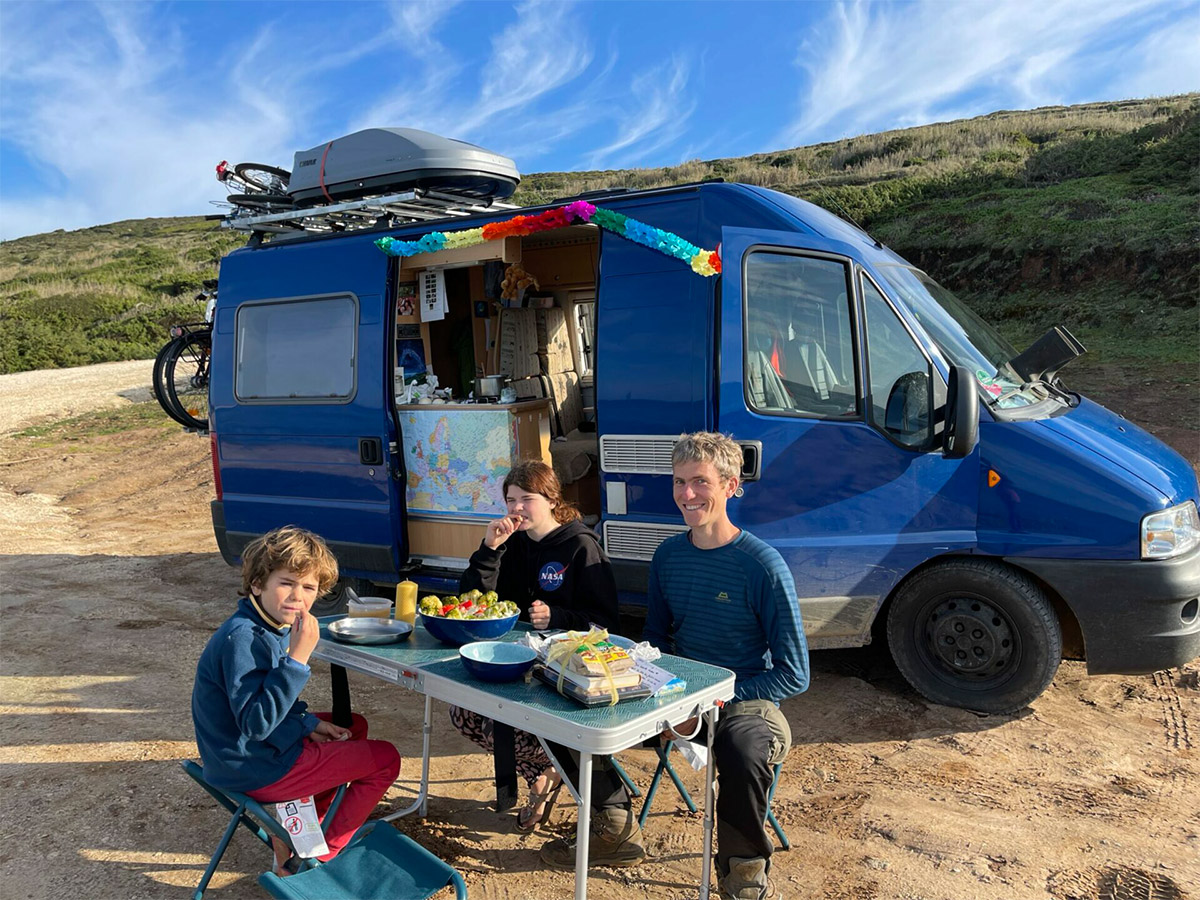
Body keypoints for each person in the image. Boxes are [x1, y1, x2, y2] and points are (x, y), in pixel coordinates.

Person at [541, 432, 810, 899]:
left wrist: (709, 702)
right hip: (674, 696)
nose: (687, 494)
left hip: (744, 702)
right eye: (679, 482)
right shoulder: (668, 555)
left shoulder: (762, 565)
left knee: (744, 752)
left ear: (730, 486)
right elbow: (657, 642)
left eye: (700, 482)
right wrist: (658, 696)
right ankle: (615, 826)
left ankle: (743, 876)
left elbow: (794, 673)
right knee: (559, 707)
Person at [191, 526, 401, 871]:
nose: (298, 597)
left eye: (309, 587)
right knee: (386, 758)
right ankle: (316, 858)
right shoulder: (243, 638)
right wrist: (297, 660)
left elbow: (265, 701)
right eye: (287, 583)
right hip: (250, 764)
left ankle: (301, 835)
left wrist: (308, 723)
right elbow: (256, 724)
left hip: (240, 752)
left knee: (351, 725)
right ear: (258, 583)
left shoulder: (265, 624)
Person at [452, 459, 619, 832]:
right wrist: (489, 549)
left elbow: (606, 622)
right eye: (510, 500)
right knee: (463, 715)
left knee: (510, 725)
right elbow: (473, 606)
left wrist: (558, 617)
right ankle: (543, 771)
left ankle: (551, 772)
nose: (516, 509)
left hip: (563, 672)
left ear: (551, 499)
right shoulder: (512, 544)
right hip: (515, 662)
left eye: (526, 499)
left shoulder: (580, 546)